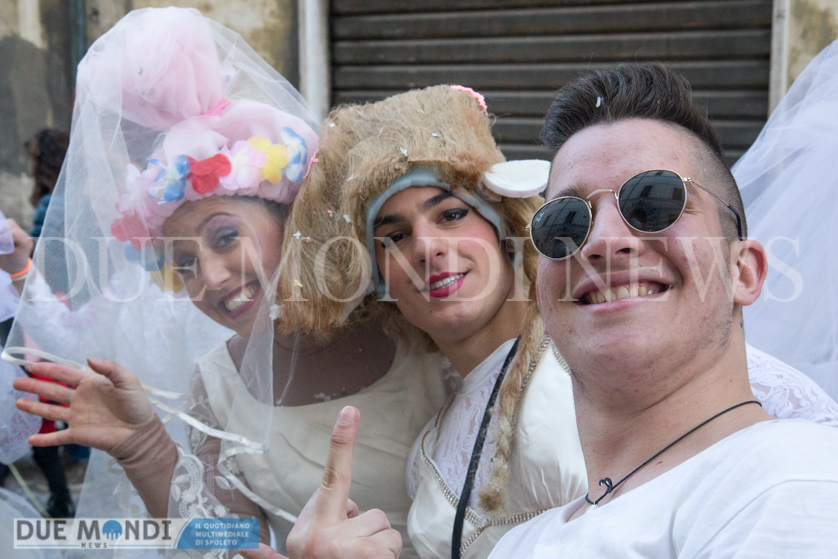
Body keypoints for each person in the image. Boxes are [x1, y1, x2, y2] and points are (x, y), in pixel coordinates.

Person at [244, 84, 838, 559]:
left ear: (510, 232)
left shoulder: (785, 478)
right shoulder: (441, 458)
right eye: (394, 236)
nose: (427, 249)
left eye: (451, 215)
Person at [8, 7, 450, 558]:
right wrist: (144, 449)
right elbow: (230, 541)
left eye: (225, 237)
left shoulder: (419, 326)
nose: (211, 278)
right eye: (184, 264)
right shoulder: (216, 384)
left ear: (290, 221)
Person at [482, 63, 838, 557]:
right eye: (563, 221)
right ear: (541, 292)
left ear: (744, 272)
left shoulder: (789, 483)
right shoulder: (517, 545)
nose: (603, 241)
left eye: (654, 201)